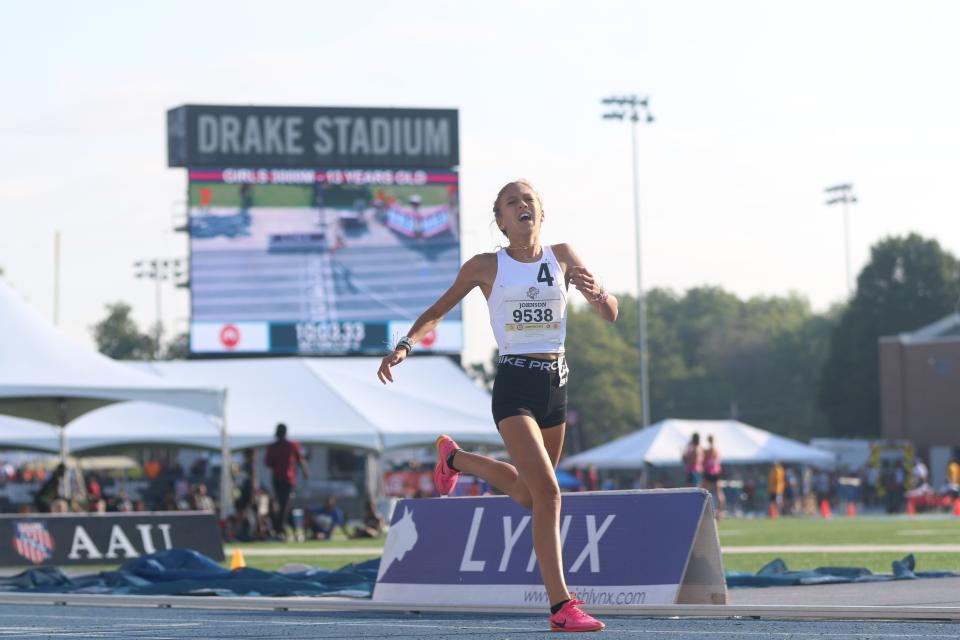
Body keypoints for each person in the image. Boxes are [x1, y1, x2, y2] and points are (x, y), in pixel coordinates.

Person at [377, 180, 616, 632]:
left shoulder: (562, 255)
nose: (522, 206)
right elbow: (439, 309)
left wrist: (598, 292)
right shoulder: (487, 266)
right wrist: (405, 345)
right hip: (515, 387)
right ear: (501, 221)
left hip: (556, 386)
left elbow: (611, 313)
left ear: (541, 213)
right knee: (549, 494)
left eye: (528, 200)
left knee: (531, 496)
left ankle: (456, 458)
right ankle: (561, 608)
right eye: (512, 202)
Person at [264, 423, 310, 539]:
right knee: (284, 504)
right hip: (287, 479)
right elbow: (300, 459)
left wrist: (304, 470)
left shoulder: (277, 446)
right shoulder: (291, 445)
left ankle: (281, 529)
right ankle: (280, 530)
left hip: (279, 479)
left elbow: (268, 463)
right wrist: (304, 471)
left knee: (284, 504)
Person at [702, 434, 725, 514]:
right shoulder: (717, 450)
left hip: (709, 471)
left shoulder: (708, 451)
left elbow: (704, 461)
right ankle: (720, 510)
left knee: (705, 490)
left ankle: (704, 508)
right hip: (717, 472)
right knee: (719, 491)